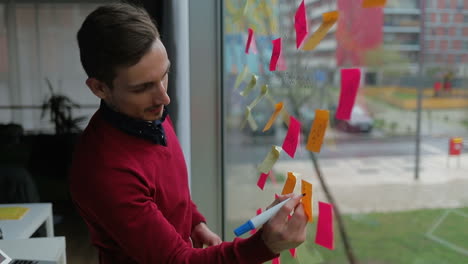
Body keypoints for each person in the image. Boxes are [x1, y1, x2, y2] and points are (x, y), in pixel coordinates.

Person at [69, 3, 308, 263]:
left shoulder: (144, 115)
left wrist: (194, 221)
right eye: (142, 87)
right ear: (99, 88)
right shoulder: (103, 171)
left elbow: (165, 190)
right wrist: (264, 245)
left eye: (164, 75)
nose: (164, 97)